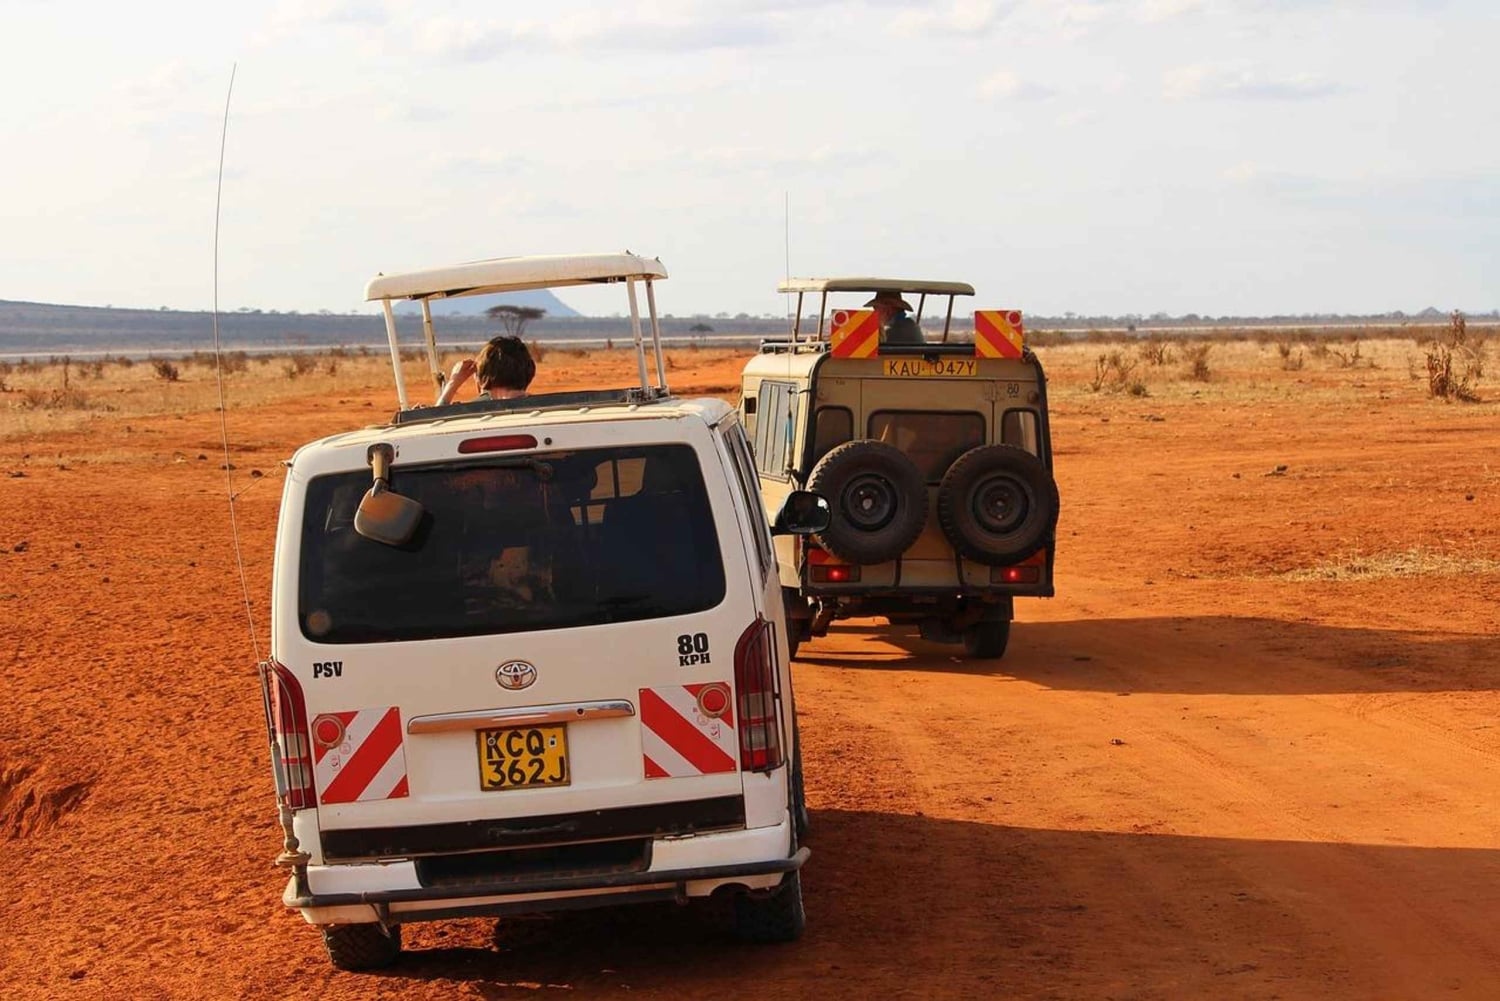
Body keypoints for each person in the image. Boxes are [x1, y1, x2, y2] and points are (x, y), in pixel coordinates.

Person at [436, 334, 536, 405]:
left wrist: (452, 385)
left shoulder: (474, 413)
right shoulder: (544, 407)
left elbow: (437, 424)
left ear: (484, 375)